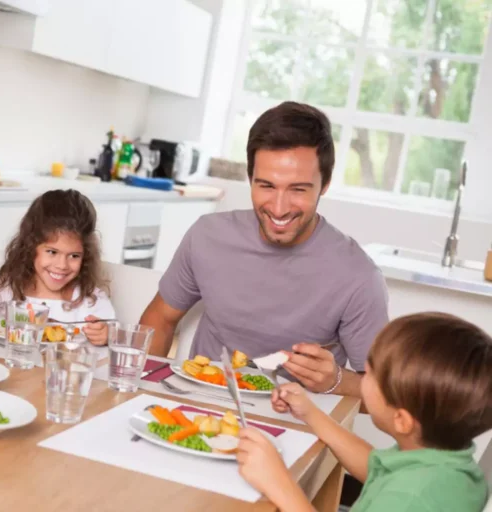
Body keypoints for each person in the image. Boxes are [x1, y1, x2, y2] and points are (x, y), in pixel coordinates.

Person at [139, 101, 388, 397]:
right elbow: (160, 319)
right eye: (266, 186)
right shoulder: (207, 236)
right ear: (250, 178)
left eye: (298, 189)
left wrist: (335, 380)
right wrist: (142, 390)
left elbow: (382, 397)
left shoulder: (358, 276)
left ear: (325, 184)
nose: (279, 208)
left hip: (294, 425)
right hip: (200, 408)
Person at [237, 312, 492, 511]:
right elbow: (377, 469)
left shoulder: (407, 498)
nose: (361, 379)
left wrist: (279, 484)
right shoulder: (447, 466)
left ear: (402, 421)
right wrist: (310, 414)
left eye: (368, 374)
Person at [0, 189, 115, 345]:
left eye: (74, 256)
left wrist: (107, 335)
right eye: (52, 252)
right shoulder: (11, 289)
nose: (62, 265)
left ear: (86, 256)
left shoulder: (91, 301)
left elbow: (117, 337)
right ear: (31, 247)